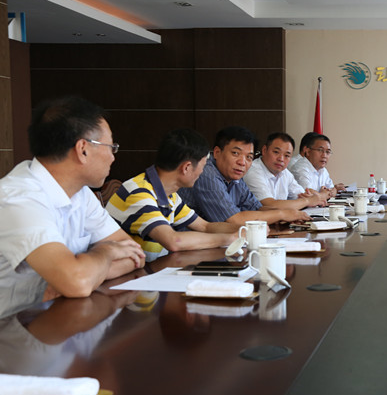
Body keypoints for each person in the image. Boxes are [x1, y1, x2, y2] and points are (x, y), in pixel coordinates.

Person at [0, 96, 145, 304]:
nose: (113, 157)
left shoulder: (81, 193)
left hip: (59, 313)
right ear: (83, 149)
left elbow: (135, 254)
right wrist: (106, 251)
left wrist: (85, 275)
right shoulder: (19, 198)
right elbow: (78, 283)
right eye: (111, 146)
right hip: (14, 322)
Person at [106, 128, 239, 261]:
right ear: (186, 168)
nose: (202, 172)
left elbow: (205, 226)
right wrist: (229, 239)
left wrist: (244, 230)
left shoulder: (170, 194)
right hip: (126, 270)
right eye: (202, 166)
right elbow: (174, 241)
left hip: (150, 267)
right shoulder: (139, 192)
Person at [178, 126, 309, 227]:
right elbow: (233, 220)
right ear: (217, 152)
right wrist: (281, 214)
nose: (242, 162)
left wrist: (287, 216)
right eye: (235, 153)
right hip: (187, 245)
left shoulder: (235, 177)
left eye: (249, 157)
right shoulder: (206, 174)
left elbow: (257, 208)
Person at [243, 132, 327, 210]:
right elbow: (269, 205)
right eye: (276, 152)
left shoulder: (285, 173)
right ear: (264, 150)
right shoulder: (253, 171)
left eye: (287, 155)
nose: (281, 159)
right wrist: (308, 201)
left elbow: (302, 195)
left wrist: (309, 198)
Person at [289, 132, 345, 197]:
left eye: (328, 152)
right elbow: (310, 195)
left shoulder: (323, 170)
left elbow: (332, 189)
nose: (324, 155)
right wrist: (326, 193)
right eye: (320, 150)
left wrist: (330, 191)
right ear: (308, 151)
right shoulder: (300, 169)